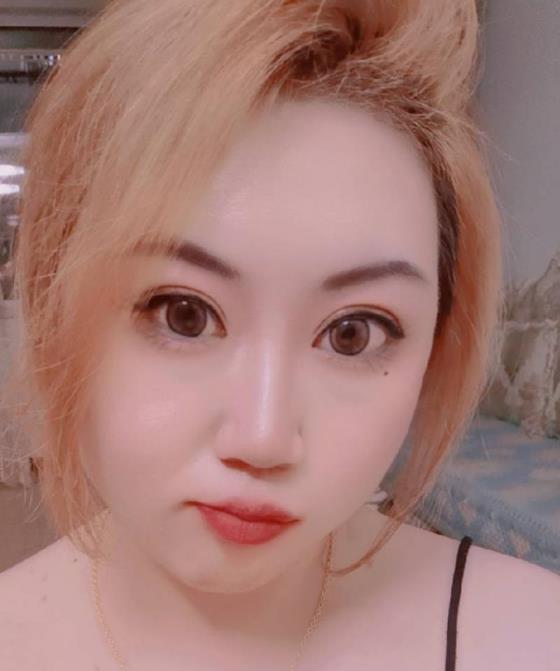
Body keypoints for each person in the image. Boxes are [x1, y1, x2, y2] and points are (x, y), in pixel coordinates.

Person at [1, 0, 559, 669]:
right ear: (53, 299)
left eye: (353, 334)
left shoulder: (530, 637)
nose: (262, 439)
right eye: (183, 314)